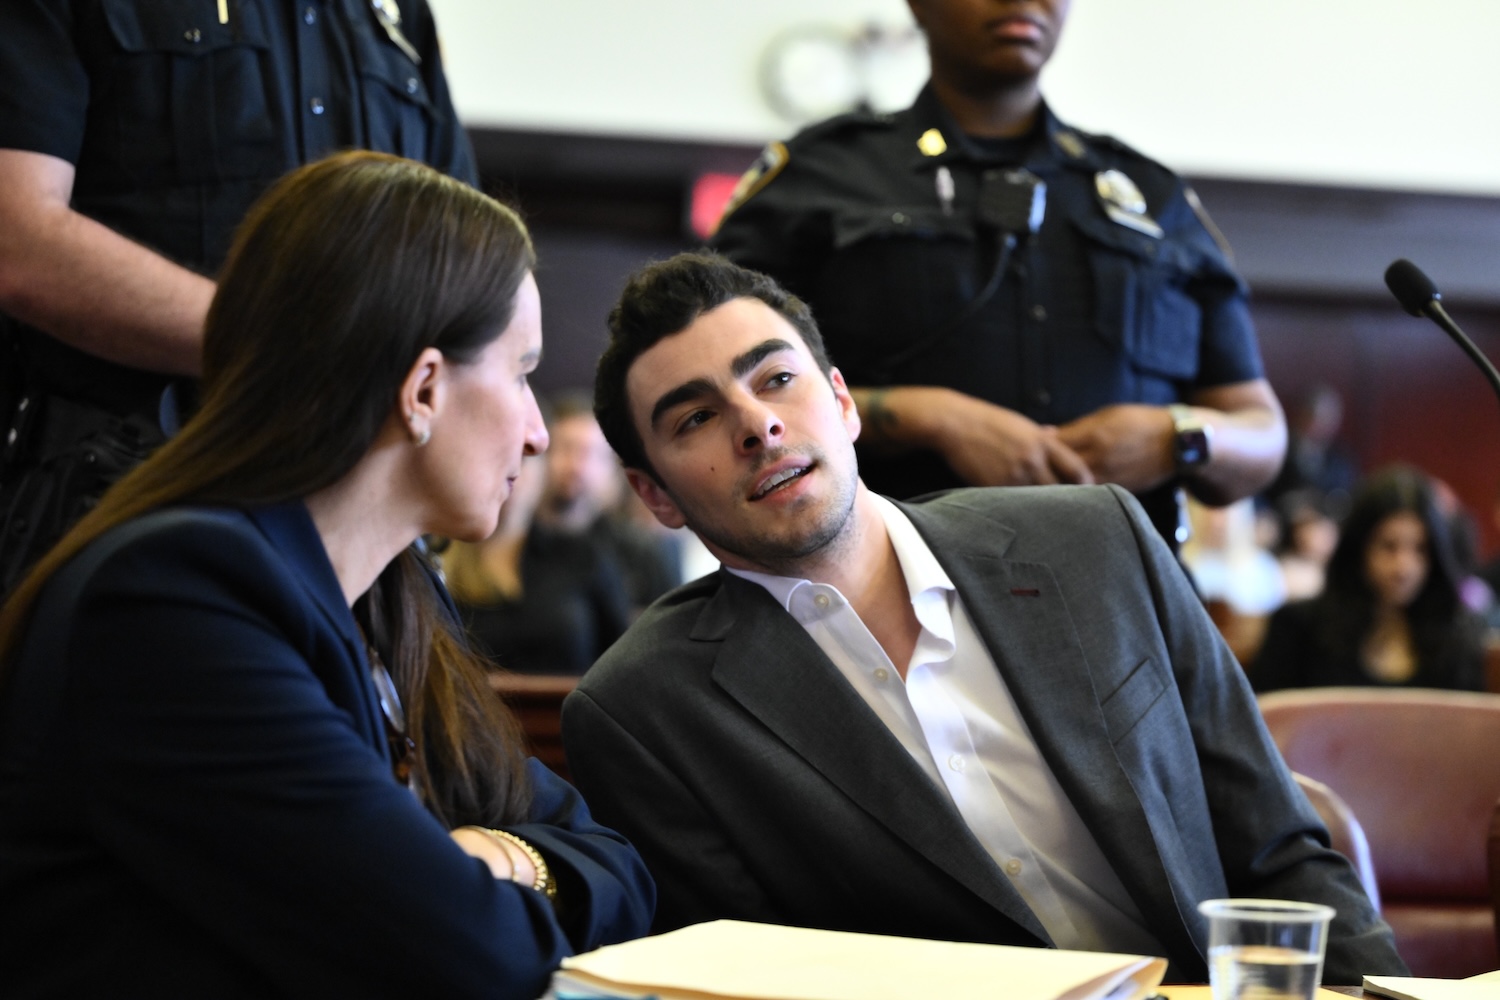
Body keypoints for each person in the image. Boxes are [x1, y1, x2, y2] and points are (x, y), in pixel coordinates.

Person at [562, 252, 1402, 985]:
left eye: (776, 377)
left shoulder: (1095, 540)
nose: (758, 425)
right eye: (697, 418)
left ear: (843, 403)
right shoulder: (643, 711)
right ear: (654, 495)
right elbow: (749, 985)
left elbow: (1277, 849)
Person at [0, 152, 653, 997]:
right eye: (522, 373)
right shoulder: (177, 601)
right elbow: (462, 953)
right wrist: (493, 880)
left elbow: (620, 867)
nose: (535, 431)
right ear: (422, 389)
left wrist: (499, 854)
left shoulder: (388, 601)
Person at [711, 0, 1286, 549]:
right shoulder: (819, 177)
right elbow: (715, 390)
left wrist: (1179, 436)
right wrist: (925, 418)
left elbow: (1261, 430)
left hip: (1125, 617)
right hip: (890, 609)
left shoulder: (1151, 198)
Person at [0, 0, 479, 595]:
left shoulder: (398, 12)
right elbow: (16, 239)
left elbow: (469, 271)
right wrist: (295, 353)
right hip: (132, 506)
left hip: (365, 542)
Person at [1252, 466, 1485, 693]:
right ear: (1359, 548)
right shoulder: (1298, 628)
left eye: (1420, 549)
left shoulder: (1457, 639)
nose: (1404, 567)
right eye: (1389, 546)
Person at [445, 451, 632, 675]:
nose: (511, 471)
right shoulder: (440, 560)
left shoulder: (580, 555)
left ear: (542, 472)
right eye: (496, 458)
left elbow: (624, 655)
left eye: (523, 460)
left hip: (568, 707)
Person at [537, 392, 682, 612]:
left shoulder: (642, 553)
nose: (577, 467)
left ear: (613, 472)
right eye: (567, 448)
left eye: (593, 455)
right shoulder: (513, 547)